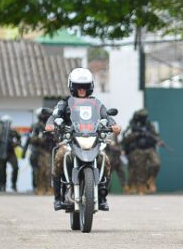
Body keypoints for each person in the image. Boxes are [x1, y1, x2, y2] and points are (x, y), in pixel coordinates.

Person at [48, 68, 120, 211]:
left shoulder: (96, 103)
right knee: (60, 157)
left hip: (92, 139)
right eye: (78, 86)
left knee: (104, 159)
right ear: (72, 86)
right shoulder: (65, 103)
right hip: (70, 141)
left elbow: (106, 115)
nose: (82, 89)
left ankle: (102, 197)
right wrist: (51, 124)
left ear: (90, 87)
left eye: (85, 86)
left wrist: (113, 124)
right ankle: (58, 197)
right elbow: (54, 115)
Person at [122, 109, 161, 194]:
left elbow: (156, 135)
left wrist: (156, 139)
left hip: (150, 148)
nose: (144, 118)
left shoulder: (149, 125)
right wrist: (136, 135)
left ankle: (151, 180)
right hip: (137, 149)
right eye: (142, 117)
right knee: (139, 170)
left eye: (145, 117)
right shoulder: (132, 126)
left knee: (156, 163)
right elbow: (125, 139)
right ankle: (139, 188)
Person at [26, 108, 54, 195]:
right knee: (39, 171)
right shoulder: (36, 126)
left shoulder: (52, 125)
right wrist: (39, 139)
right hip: (39, 152)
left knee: (50, 171)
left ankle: (49, 188)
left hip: (50, 150)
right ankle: (39, 188)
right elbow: (30, 139)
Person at [0, 115, 21, 192]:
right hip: (1, 152)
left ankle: (13, 184)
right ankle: (2, 185)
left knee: (16, 167)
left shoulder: (13, 132)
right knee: (1, 169)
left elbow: (19, 140)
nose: (7, 124)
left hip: (11, 152)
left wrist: (16, 143)